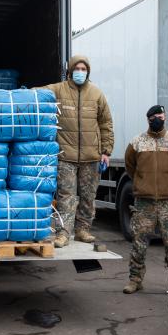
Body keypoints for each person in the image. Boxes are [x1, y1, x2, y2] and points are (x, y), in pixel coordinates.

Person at [42, 55, 114, 247]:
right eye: (77, 68)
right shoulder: (59, 90)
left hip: (91, 157)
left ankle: (83, 230)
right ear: (70, 70)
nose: (80, 72)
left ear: (88, 72)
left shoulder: (97, 94)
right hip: (66, 156)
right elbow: (38, 94)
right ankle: (63, 233)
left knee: (89, 196)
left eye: (84, 69)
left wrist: (106, 151)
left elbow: (106, 124)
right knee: (66, 196)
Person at [122, 105, 168, 294]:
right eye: (154, 116)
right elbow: (130, 167)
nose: (157, 119)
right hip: (144, 203)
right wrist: (143, 183)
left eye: (160, 115)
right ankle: (135, 279)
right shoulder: (137, 142)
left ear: (165, 117)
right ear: (148, 119)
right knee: (139, 243)